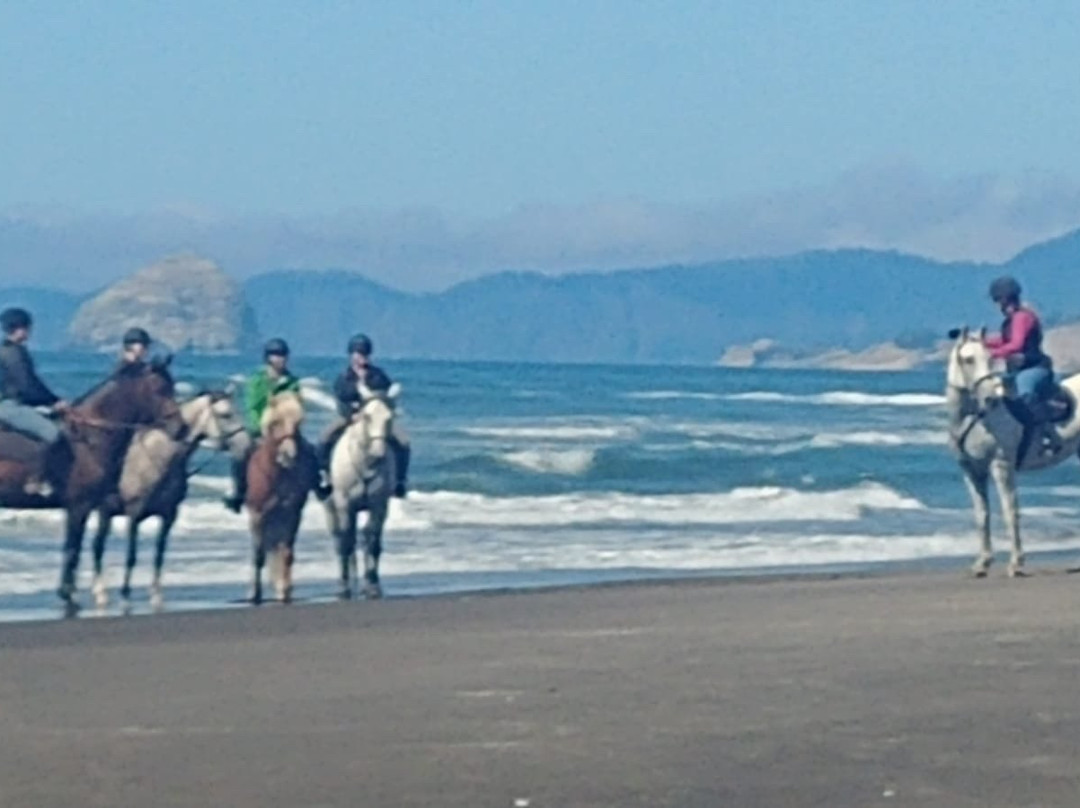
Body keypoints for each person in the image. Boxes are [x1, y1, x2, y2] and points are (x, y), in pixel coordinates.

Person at [316, 333, 410, 499]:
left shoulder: (379, 376)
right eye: (358, 353)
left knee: (403, 441)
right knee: (325, 437)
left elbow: (386, 397)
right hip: (351, 418)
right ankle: (325, 476)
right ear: (351, 355)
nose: (361, 358)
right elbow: (340, 400)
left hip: (375, 420)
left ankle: (399, 480)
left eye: (364, 354)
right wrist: (351, 415)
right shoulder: (344, 378)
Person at [222, 338, 302, 513]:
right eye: (276, 355)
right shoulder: (257, 381)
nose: (280, 359)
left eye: (283, 355)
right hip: (261, 430)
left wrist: (292, 425)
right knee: (241, 449)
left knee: (307, 451)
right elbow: (253, 407)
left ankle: (316, 484)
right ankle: (238, 490)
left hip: (286, 430)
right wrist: (261, 428)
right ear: (268, 358)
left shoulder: (292, 382)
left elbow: (296, 407)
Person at [985, 276, 1059, 454]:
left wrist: (991, 354)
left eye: (998, 300)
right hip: (1016, 371)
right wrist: (979, 343)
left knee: (1024, 390)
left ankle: (1047, 434)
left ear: (1005, 299)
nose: (997, 305)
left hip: (1035, 368)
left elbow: (1016, 344)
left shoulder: (1022, 318)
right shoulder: (1008, 322)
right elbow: (1001, 340)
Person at [0, 308, 70, 493]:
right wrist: (53, 402)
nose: (30, 333)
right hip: (11, 406)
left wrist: (53, 400)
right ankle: (36, 479)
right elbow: (27, 386)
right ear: (21, 329)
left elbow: (34, 383)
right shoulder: (12, 354)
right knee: (54, 433)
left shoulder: (13, 351)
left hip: (19, 404)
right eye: (28, 328)